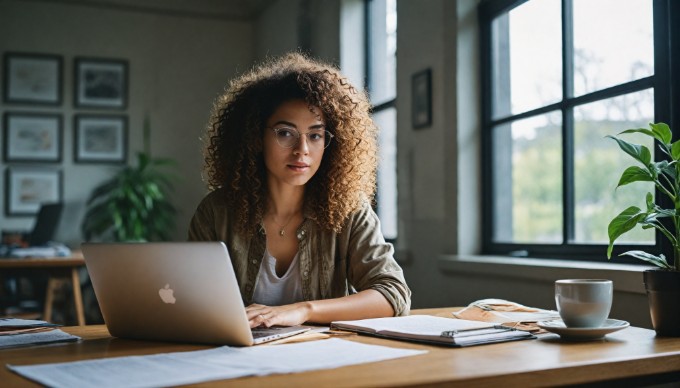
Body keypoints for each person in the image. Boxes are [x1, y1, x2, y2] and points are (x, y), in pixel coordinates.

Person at [188, 52, 411, 328]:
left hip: (322, 359)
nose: (302, 150)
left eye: (315, 135)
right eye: (285, 133)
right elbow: (192, 300)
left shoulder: (349, 210)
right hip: (237, 356)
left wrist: (303, 310)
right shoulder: (216, 212)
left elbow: (393, 294)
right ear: (256, 137)